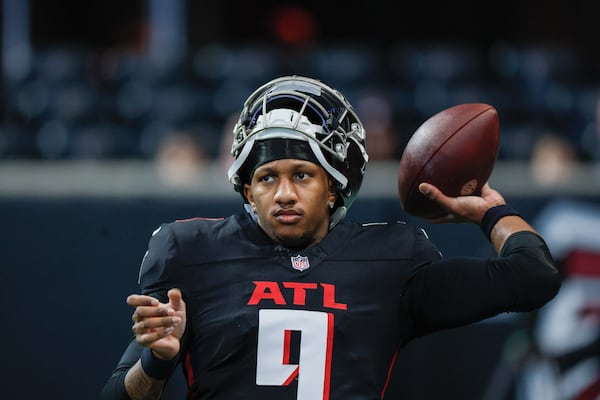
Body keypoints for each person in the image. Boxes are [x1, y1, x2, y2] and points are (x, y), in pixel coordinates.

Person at [100, 75, 561, 400]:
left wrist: (490, 211)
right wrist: (158, 362)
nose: (283, 194)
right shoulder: (191, 254)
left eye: (302, 174)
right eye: (265, 178)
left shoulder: (391, 261)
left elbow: (534, 276)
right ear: (246, 188)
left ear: (334, 184)